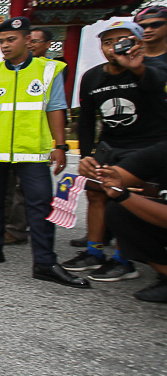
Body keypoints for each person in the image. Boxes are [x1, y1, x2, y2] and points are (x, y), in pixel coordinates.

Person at [0, 17, 89, 288]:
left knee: (40, 206)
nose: (4, 46)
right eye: (1, 41)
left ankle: (44, 262)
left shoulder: (49, 70)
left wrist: (60, 146)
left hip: (32, 151)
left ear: (28, 40)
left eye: (11, 40)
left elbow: (55, 109)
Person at [62, 20, 167, 281]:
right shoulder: (92, 76)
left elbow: (156, 88)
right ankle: (94, 251)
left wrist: (137, 67)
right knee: (96, 194)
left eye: (122, 40)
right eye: (107, 42)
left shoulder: (152, 69)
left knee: (127, 200)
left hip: (147, 148)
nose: (113, 47)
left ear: (138, 43)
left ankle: (124, 259)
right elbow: (86, 120)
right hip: (110, 145)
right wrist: (87, 154)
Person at [79, 141, 167, 302]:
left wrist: (124, 195)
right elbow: (108, 179)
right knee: (119, 211)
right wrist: (91, 171)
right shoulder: (161, 150)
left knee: (128, 202)